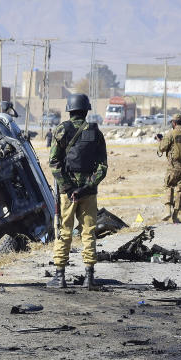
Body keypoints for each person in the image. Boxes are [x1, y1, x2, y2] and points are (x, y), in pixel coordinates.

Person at [47, 93, 108, 290]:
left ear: (70, 110)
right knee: (88, 232)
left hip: (67, 194)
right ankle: (89, 277)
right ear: (86, 110)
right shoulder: (95, 132)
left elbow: (54, 163)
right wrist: (87, 186)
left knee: (64, 232)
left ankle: (60, 276)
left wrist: (69, 188)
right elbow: (102, 166)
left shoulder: (61, 130)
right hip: (89, 193)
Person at [155, 113, 181, 223]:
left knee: (168, 186)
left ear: (174, 123)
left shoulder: (171, 134)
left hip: (174, 167)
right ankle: (175, 215)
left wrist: (160, 141)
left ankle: (167, 210)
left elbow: (162, 148)